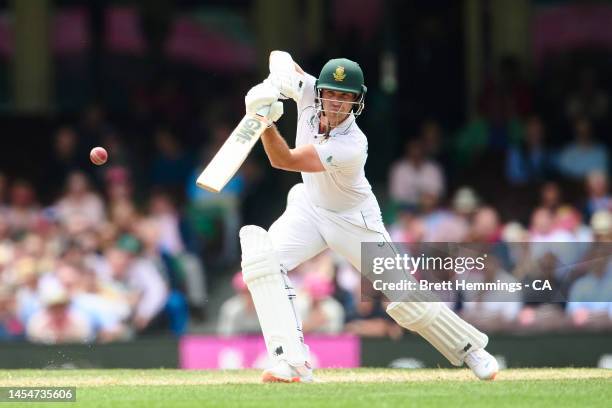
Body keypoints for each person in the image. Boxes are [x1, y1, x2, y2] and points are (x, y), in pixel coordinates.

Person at [235, 51, 498, 382]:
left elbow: (284, 160)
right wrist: (275, 83)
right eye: (331, 93)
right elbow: (280, 56)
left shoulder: (352, 144)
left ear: (356, 101)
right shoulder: (308, 91)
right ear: (320, 91)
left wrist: (265, 121)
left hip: (354, 222)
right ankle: (292, 363)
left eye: (345, 97)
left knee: (405, 299)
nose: (336, 102)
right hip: (309, 208)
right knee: (262, 261)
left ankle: (472, 350)